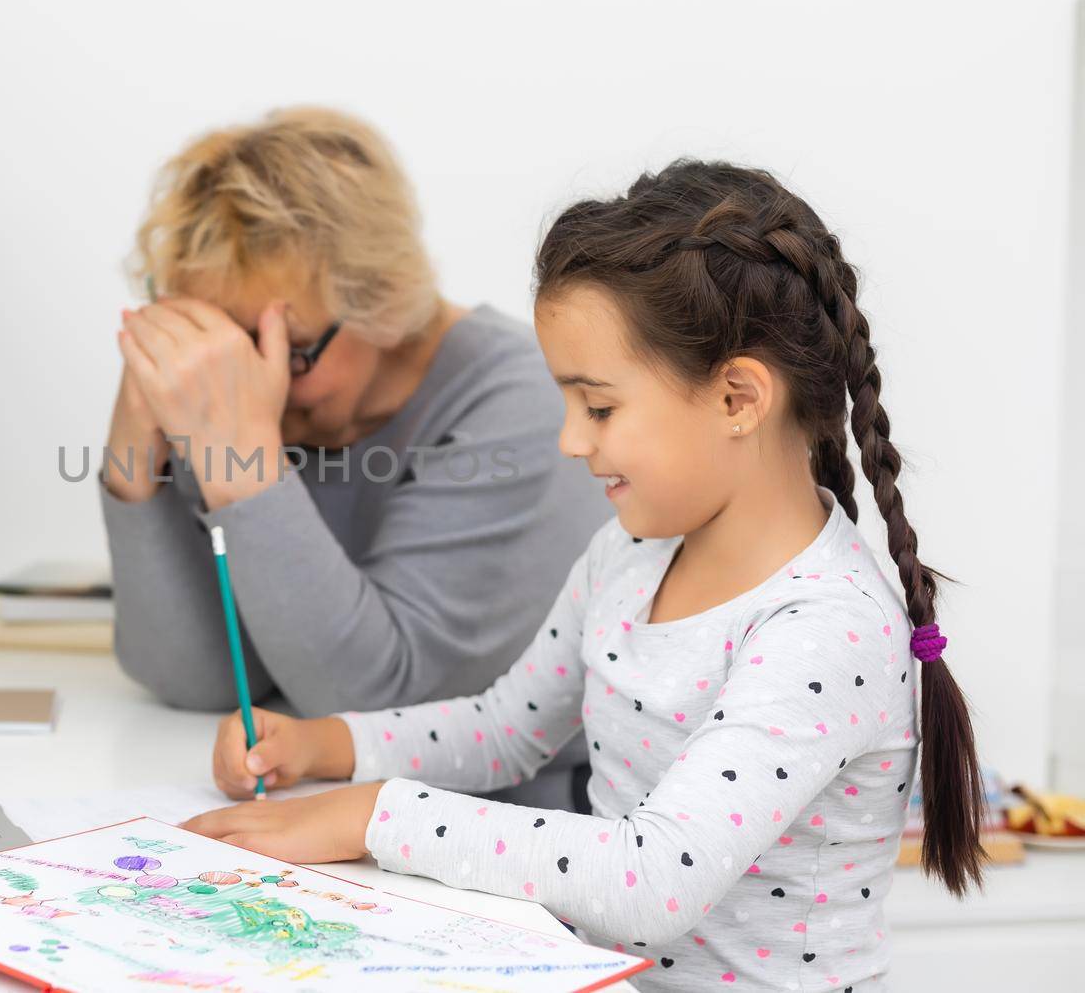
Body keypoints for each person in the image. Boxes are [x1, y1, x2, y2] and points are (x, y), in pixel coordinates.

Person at [184, 160, 985, 990]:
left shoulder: (828, 627)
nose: (571, 439)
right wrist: (329, 744)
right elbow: (506, 726)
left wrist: (378, 814)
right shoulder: (632, 556)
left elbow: (653, 878)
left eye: (598, 407)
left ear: (739, 398)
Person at [101, 107, 609, 810]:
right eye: (231, 347)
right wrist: (136, 459)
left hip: (514, 843)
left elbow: (375, 704)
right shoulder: (242, 406)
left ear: (376, 300)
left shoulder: (524, 398)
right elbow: (200, 677)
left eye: (292, 349)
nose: (264, 387)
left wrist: (243, 459)